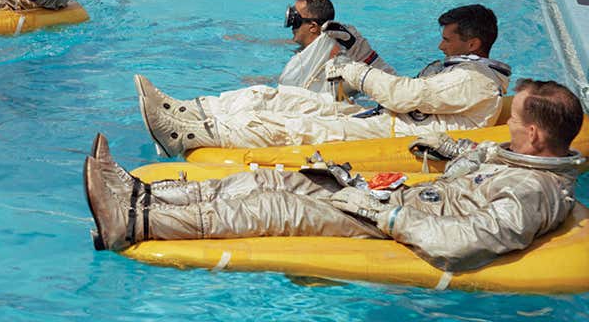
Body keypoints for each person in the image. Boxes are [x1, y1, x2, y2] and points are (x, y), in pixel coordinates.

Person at [84, 78, 584, 272]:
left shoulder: (534, 191)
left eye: (514, 121)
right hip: (392, 198)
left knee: (275, 208)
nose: (507, 125)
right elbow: (477, 168)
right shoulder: (518, 159)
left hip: (389, 221)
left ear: (536, 135)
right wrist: (453, 149)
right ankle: (142, 194)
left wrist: (384, 216)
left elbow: (463, 243)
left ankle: (130, 221)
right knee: (271, 181)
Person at [137, 4, 510, 155]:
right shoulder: (459, 72)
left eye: (448, 38)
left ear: (473, 43)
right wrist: (359, 49)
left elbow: (403, 94)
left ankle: (186, 135)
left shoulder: (476, 81)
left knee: (289, 126)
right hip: (381, 118)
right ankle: (187, 110)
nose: (440, 45)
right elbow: (405, 90)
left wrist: (352, 70)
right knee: (274, 97)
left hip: (393, 135)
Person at [136, 0, 393, 135]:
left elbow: (356, 83)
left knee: (261, 97)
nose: (289, 27)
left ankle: (188, 120)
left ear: (313, 27)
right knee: (262, 93)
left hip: (339, 115)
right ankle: (186, 112)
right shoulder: (317, 47)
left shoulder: (342, 46)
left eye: (294, 20)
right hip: (326, 104)